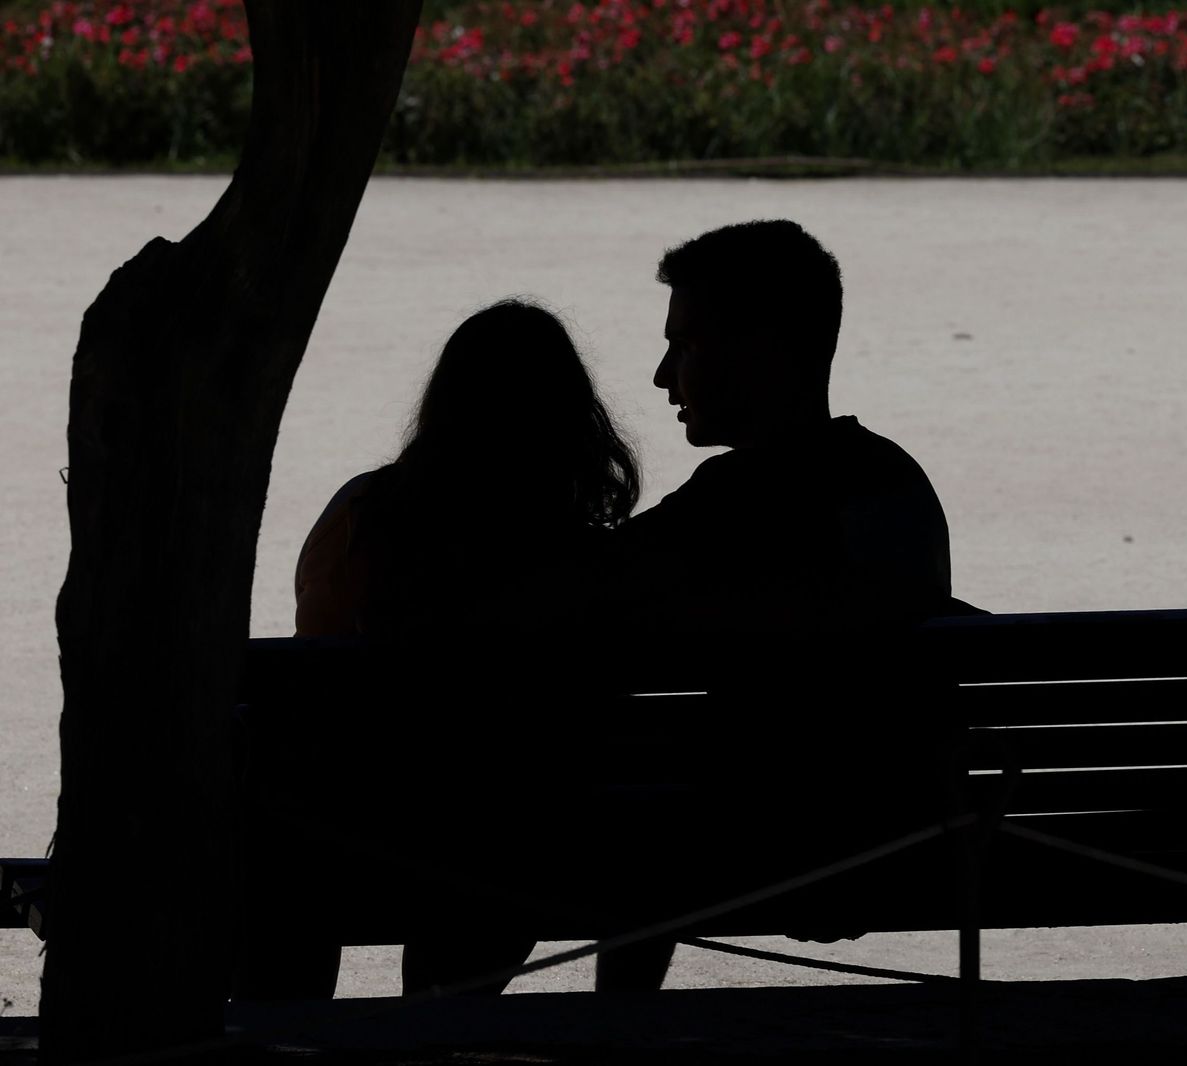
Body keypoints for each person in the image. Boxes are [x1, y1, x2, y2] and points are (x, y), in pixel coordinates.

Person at [593, 219, 966, 991]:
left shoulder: (727, 506)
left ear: (761, 349)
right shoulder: (897, 483)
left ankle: (612, 1040)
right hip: (916, 839)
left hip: (757, 846)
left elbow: (574, 598)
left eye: (686, 346)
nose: (665, 376)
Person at [235, 298, 641, 1000]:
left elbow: (312, 676)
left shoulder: (364, 523)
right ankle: (443, 1028)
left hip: (346, 840)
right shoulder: (590, 561)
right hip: (517, 850)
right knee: (496, 832)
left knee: (290, 828)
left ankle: (287, 1028)